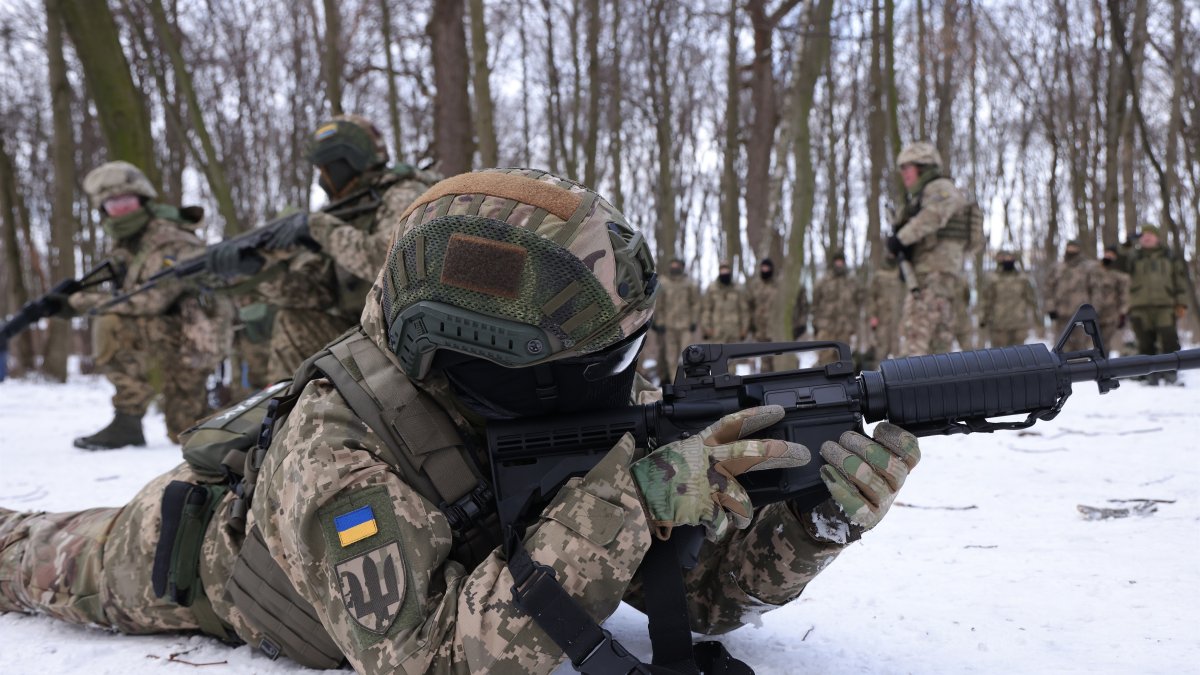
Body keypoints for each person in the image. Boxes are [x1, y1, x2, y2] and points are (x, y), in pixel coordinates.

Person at [0, 169, 922, 674]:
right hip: (200, 554)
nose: (617, 386)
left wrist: (812, 523)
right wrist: (626, 501)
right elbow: (433, 660)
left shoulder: (527, 397)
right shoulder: (338, 456)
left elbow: (690, 592)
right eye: (600, 364)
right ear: (493, 359)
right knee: (33, 555)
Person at [208, 115, 440, 382]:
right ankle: (288, 418)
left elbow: (388, 260)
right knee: (292, 321)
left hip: (408, 334)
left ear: (345, 162)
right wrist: (260, 271)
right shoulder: (346, 211)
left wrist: (318, 228)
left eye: (324, 170)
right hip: (369, 331)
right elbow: (316, 294)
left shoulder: (403, 193)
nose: (321, 180)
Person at [65, 161, 232, 449]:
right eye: (113, 205)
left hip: (196, 340)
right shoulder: (129, 242)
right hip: (171, 332)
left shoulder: (169, 238)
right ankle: (127, 419)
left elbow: (152, 300)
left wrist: (81, 301)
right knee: (111, 321)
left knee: (187, 431)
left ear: (142, 200)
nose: (122, 210)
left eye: (127, 202)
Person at [887, 141, 969, 356]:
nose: (904, 174)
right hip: (935, 280)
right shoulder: (922, 196)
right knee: (937, 355)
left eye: (908, 167)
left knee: (914, 347)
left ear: (923, 167)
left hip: (932, 281)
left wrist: (901, 239)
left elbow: (934, 216)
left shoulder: (940, 189)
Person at [1124, 226, 1188, 384]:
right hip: (1139, 306)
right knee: (1145, 342)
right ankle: (1149, 374)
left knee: (1169, 340)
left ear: (1157, 237)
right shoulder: (1133, 256)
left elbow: (1180, 281)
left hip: (1165, 306)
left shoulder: (1169, 256)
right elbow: (1116, 264)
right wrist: (1126, 244)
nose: (1147, 237)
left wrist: (1182, 303)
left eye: (1151, 234)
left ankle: (1170, 372)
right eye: (1144, 235)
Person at [747, 258, 809, 372]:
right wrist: (751, 326)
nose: (765, 270)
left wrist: (800, 324)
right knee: (765, 364)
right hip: (761, 333)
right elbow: (749, 307)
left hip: (778, 332)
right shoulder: (755, 286)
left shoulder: (779, 285)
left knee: (781, 361)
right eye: (763, 267)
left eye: (767, 267)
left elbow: (798, 304)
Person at [1046, 239, 1103, 350]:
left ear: (1079, 249)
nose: (1072, 250)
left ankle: (1081, 367)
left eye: (1074, 247)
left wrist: (1094, 310)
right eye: (1070, 247)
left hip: (1081, 314)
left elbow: (1096, 290)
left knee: (1081, 347)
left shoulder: (1088, 268)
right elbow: (1048, 289)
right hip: (1061, 314)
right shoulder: (1057, 268)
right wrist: (1050, 308)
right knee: (1061, 346)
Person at [650, 257, 700, 382]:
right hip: (669, 327)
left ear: (682, 266)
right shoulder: (663, 282)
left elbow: (695, 303)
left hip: (685, 327)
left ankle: (689, 382)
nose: (674, 267)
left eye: (677, 264)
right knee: (670, 358)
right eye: (672, 264)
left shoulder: (689, 283)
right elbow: (658, 304)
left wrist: (694, 321)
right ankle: (675, 382)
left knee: (687, 356)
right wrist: (659, 322)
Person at [979, 250, 1038, 348]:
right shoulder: (992, 279)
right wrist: (983, 318)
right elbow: (986, 300)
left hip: (1019, 324)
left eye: (1010, 258)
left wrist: (1038, 320)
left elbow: (1031, 299)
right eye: (1005, 259)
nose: (1008, 261)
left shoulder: (1023, 278)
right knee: (999, 356)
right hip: (998, 325)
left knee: (1018, 355)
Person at [812, 250, 862, 347]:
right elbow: (815, 304)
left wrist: (853, 323)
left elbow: (858, 302)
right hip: (826, 327)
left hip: (845, 328)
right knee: (825, 357)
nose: (839, 264)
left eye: (841, 262)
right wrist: (816, 323)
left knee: (843, 357)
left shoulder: (852, 282)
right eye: (837, 261)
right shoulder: (823, 281)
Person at [700, 260, 749, 342]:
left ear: (730, 271)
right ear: (719, 271)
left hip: (734, 332)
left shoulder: (737, 288)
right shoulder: (712, 289)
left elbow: (744, 310)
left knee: (735, 354)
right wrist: (706, 328)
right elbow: (706, 309)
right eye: (722, 270)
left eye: (726, 270)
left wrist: (744, 329)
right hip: (717, 332)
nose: (724, 272)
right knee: (717, 354)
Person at [1095, 245, 1131, 356]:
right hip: (1094, 312)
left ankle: (1104, 368)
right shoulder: (1095, 271)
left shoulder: (1120, 274)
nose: (1108, 256)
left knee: (1105, 344)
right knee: (1094, 343)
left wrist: (1123, 313)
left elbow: (1125, 294)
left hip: (1111, 314)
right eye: (1107, 253)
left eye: (1111, 254)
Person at [868, 253, 905, 360]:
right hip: (882, 318)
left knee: (897, 347)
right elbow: (871, 297)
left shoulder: (901, 273)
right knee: (881, 347)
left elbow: (905, 293)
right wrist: (873, 316)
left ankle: (899, 373)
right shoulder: (878, 275)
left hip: (897, 316)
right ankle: (880, 371)